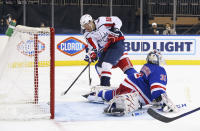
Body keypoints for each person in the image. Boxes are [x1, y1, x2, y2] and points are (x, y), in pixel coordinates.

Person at [84, 50, 178, 116]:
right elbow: (156, 89)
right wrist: (163, 101)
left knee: (114, 93)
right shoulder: (159, 69)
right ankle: (119, 103)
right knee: (134, 101)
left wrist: (157, 100)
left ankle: (98, 94)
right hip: (137, 90)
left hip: (129, 81)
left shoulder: (146, 66)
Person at [80, 14, 133, 86]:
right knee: (99, 66)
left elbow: (117, 20)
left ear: (91, 21)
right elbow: (93, 47)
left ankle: (105, 85)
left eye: (86, 25)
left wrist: (115, 30)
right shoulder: (87, 34)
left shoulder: (101, 21)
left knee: (106, 64)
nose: (85, 28)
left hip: (117, 43)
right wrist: (93, 54)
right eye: (84, 26)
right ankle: (104, 85)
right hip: (108, 49)